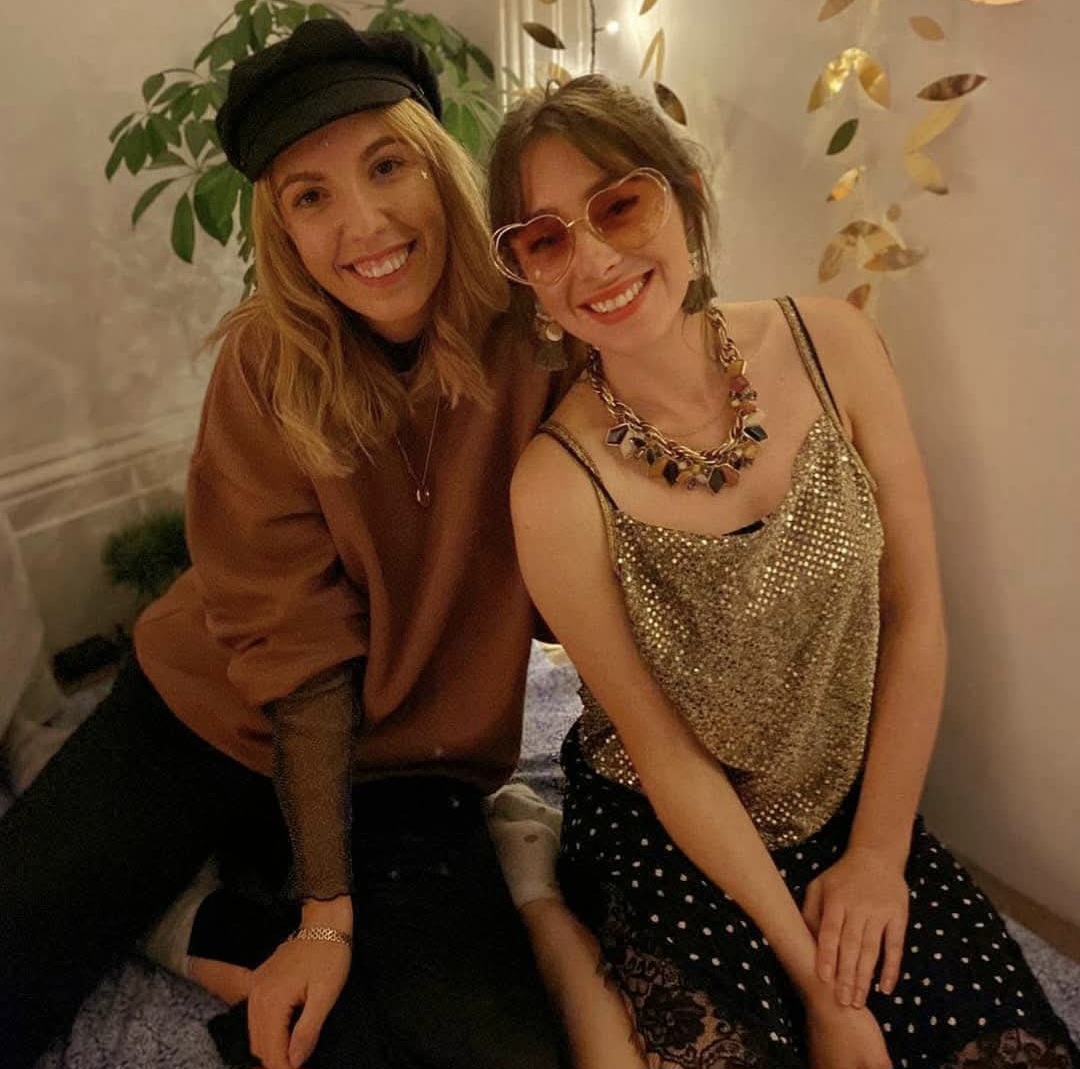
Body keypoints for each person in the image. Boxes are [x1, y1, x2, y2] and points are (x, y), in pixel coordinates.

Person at [0, 20, 569, 1069]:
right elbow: (295, 654)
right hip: (207, 712)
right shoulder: (265, 365)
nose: (364, 223)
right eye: (312, 196)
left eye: (386, 166)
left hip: (414, 763)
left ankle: (199, 917)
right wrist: (326, 916)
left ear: (440, 169)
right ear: (285, 232)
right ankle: (196, 888)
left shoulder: (542, 331)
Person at [484, 74, 1080, 1069]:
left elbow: (915, 612)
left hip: (846, 802)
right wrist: (819, 985)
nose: (593, 258)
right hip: (670, 825)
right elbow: (664, 750)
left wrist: (879, 854)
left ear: (684, 194)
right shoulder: (553, 487)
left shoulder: (835, 345)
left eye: (619, 204)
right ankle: (543, 903)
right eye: (545, 239)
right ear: (530, 283)